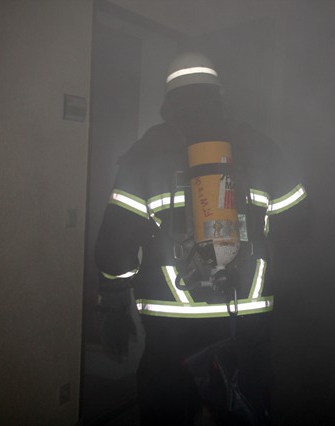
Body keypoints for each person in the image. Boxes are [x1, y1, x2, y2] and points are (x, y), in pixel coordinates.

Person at [95, 51, 310, 425]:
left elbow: (115, 247)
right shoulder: (261, 146)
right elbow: (300, 227)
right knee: (243, 407)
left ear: (169, 100)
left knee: (167, 413)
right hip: (246, 316)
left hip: (171, 322)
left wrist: (113, 299)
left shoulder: (146, 152)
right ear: (219, 94)